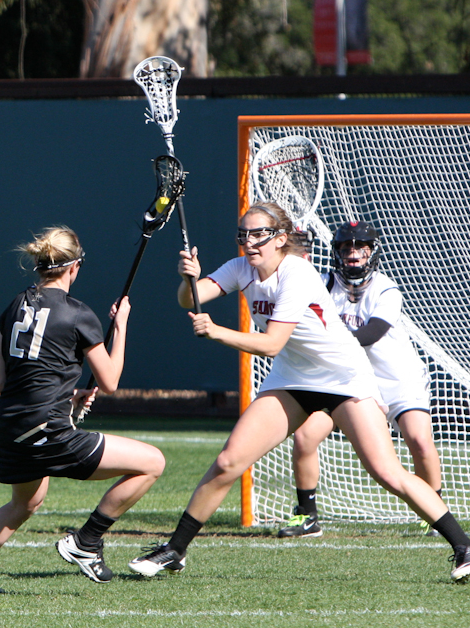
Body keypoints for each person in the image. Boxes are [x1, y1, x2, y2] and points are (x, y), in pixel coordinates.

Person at [128, 202, 470, 583]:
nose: (249, 241)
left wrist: (217, 332)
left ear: (280, 239)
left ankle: (463, 547)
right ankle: (175, 549)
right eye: (244, 234)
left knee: (387, 472)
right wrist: (186, 277)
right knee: (228, 462)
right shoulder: (242, 267)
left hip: (344, 378)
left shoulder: (299, 273)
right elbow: (189, 299)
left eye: (258, 234)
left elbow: (272, 343)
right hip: (292, 378)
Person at [0, 226, 165, 593]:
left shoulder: (13, 307)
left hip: (11, 428)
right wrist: (120, 327)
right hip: (48, 433)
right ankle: (86, 542)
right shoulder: (78, 314)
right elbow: (109, 382)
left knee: (25, 503)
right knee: (153, 463)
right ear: (74, 267)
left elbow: (0, 382)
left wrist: (65, 397)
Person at [278, 221, 443, 539]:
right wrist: (297, 257)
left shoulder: (386, 289)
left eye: (360, 247)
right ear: (337, 253)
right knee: (305, 438)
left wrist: (329, 341)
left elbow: (372, 333)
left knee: (419, 442)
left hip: (397, 378)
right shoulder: (323, 285)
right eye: (346, 248)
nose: (353, 253)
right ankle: (307, 517)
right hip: (349, 380)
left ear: (373, 252)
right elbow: (291, 291)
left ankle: (434, 510)